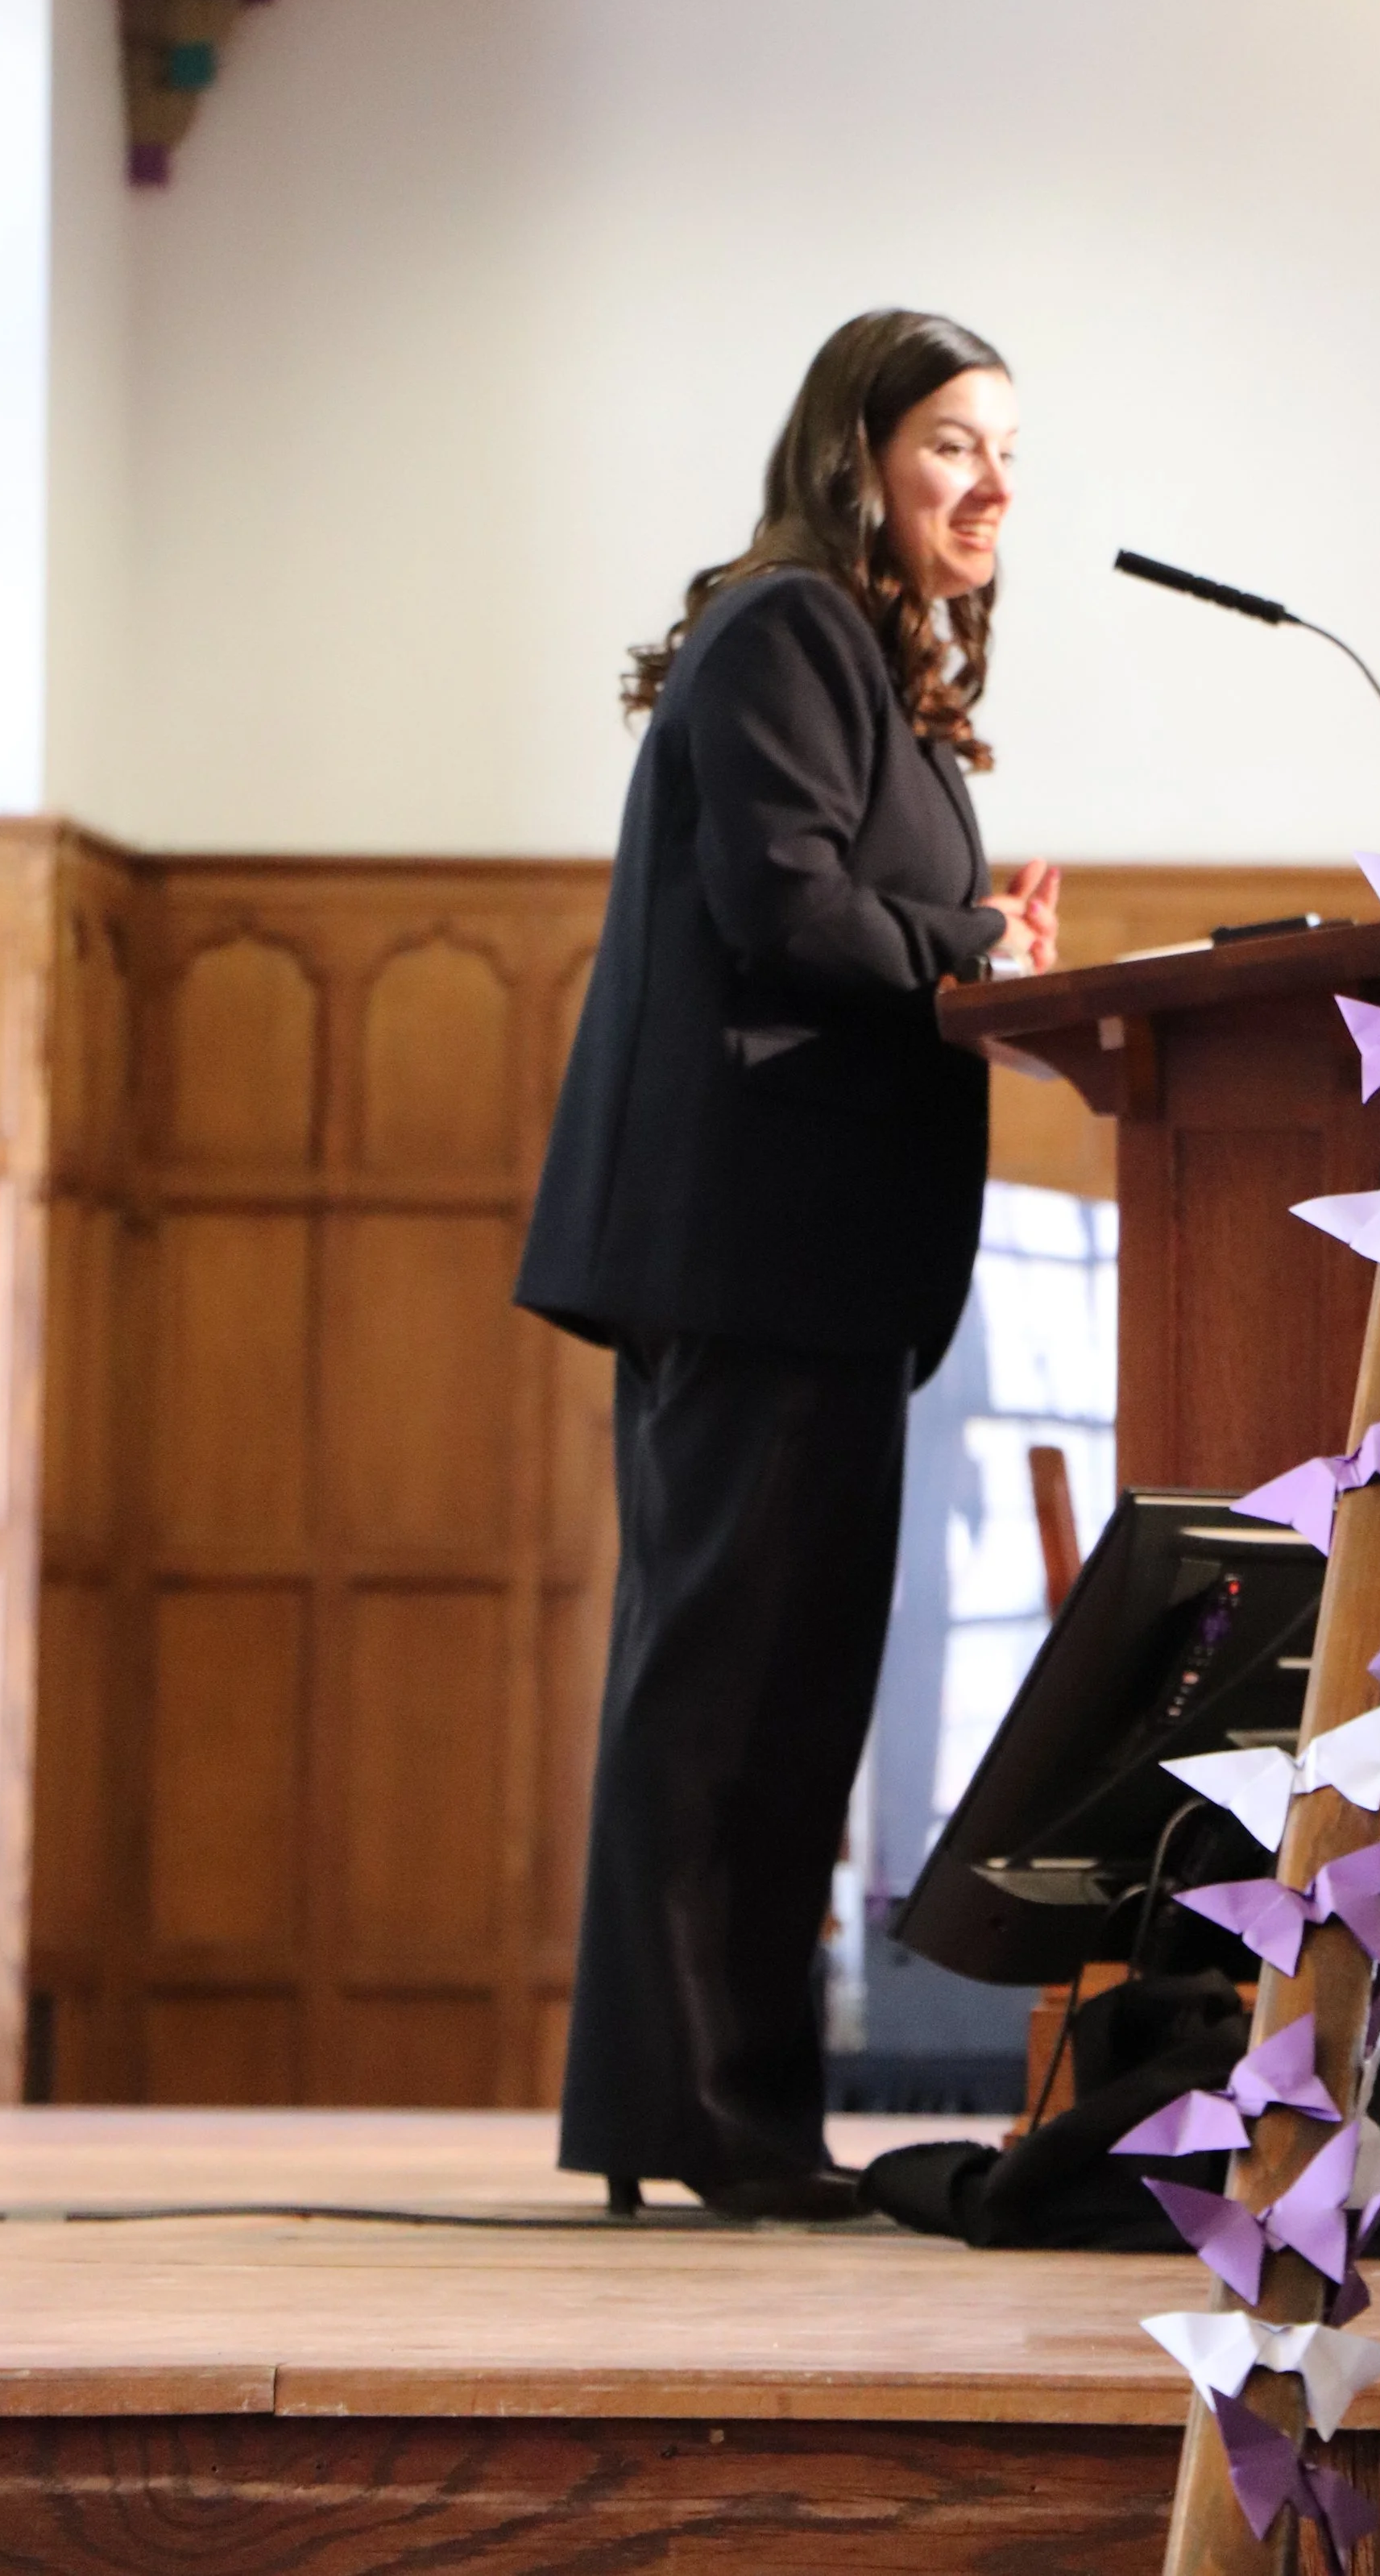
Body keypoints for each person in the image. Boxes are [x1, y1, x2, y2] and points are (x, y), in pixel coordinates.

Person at [516, 309, 1059, 2221]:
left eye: (1008, 453)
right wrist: (974, 946)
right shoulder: (789, 629)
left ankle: (731, 2120)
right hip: (750, 1253)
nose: (991, 487)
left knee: (784, 1703)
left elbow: (845, 905)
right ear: (857, 454)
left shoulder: (868, 667)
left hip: (816, 1268)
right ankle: (687, 2118)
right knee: (721, 1695)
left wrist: (968, 935)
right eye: (953, 445)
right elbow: (782, 908)